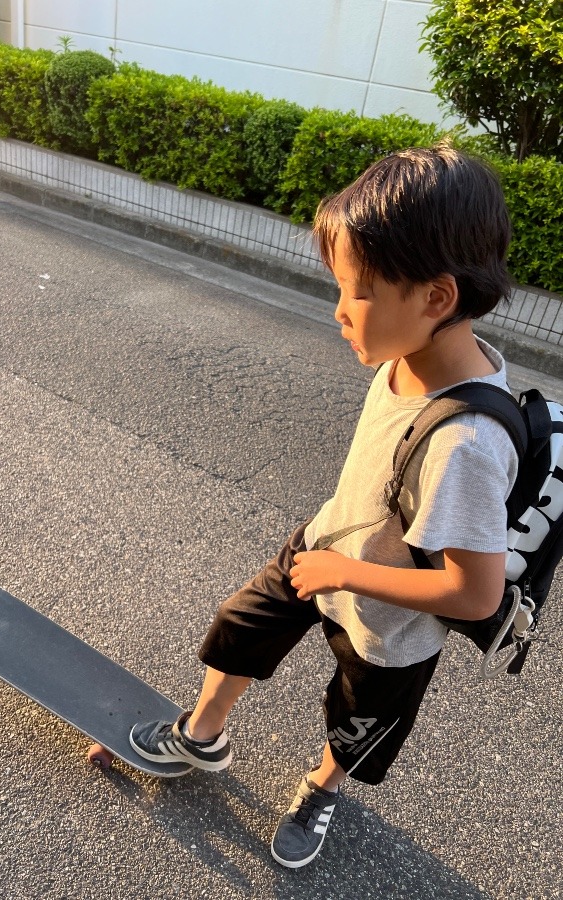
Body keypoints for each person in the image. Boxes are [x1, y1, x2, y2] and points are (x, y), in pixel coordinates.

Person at [130, 144, 518, 868]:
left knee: (354, 720)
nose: (338, 310)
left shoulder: (466, 442)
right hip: (329, 543)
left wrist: (346, 573)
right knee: (240, 626)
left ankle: (321, 787)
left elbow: (474, 592)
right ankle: (203, 734)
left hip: (390, 619)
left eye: (357, 292)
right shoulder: (416, 351)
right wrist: (333, 557)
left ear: (436, 298)